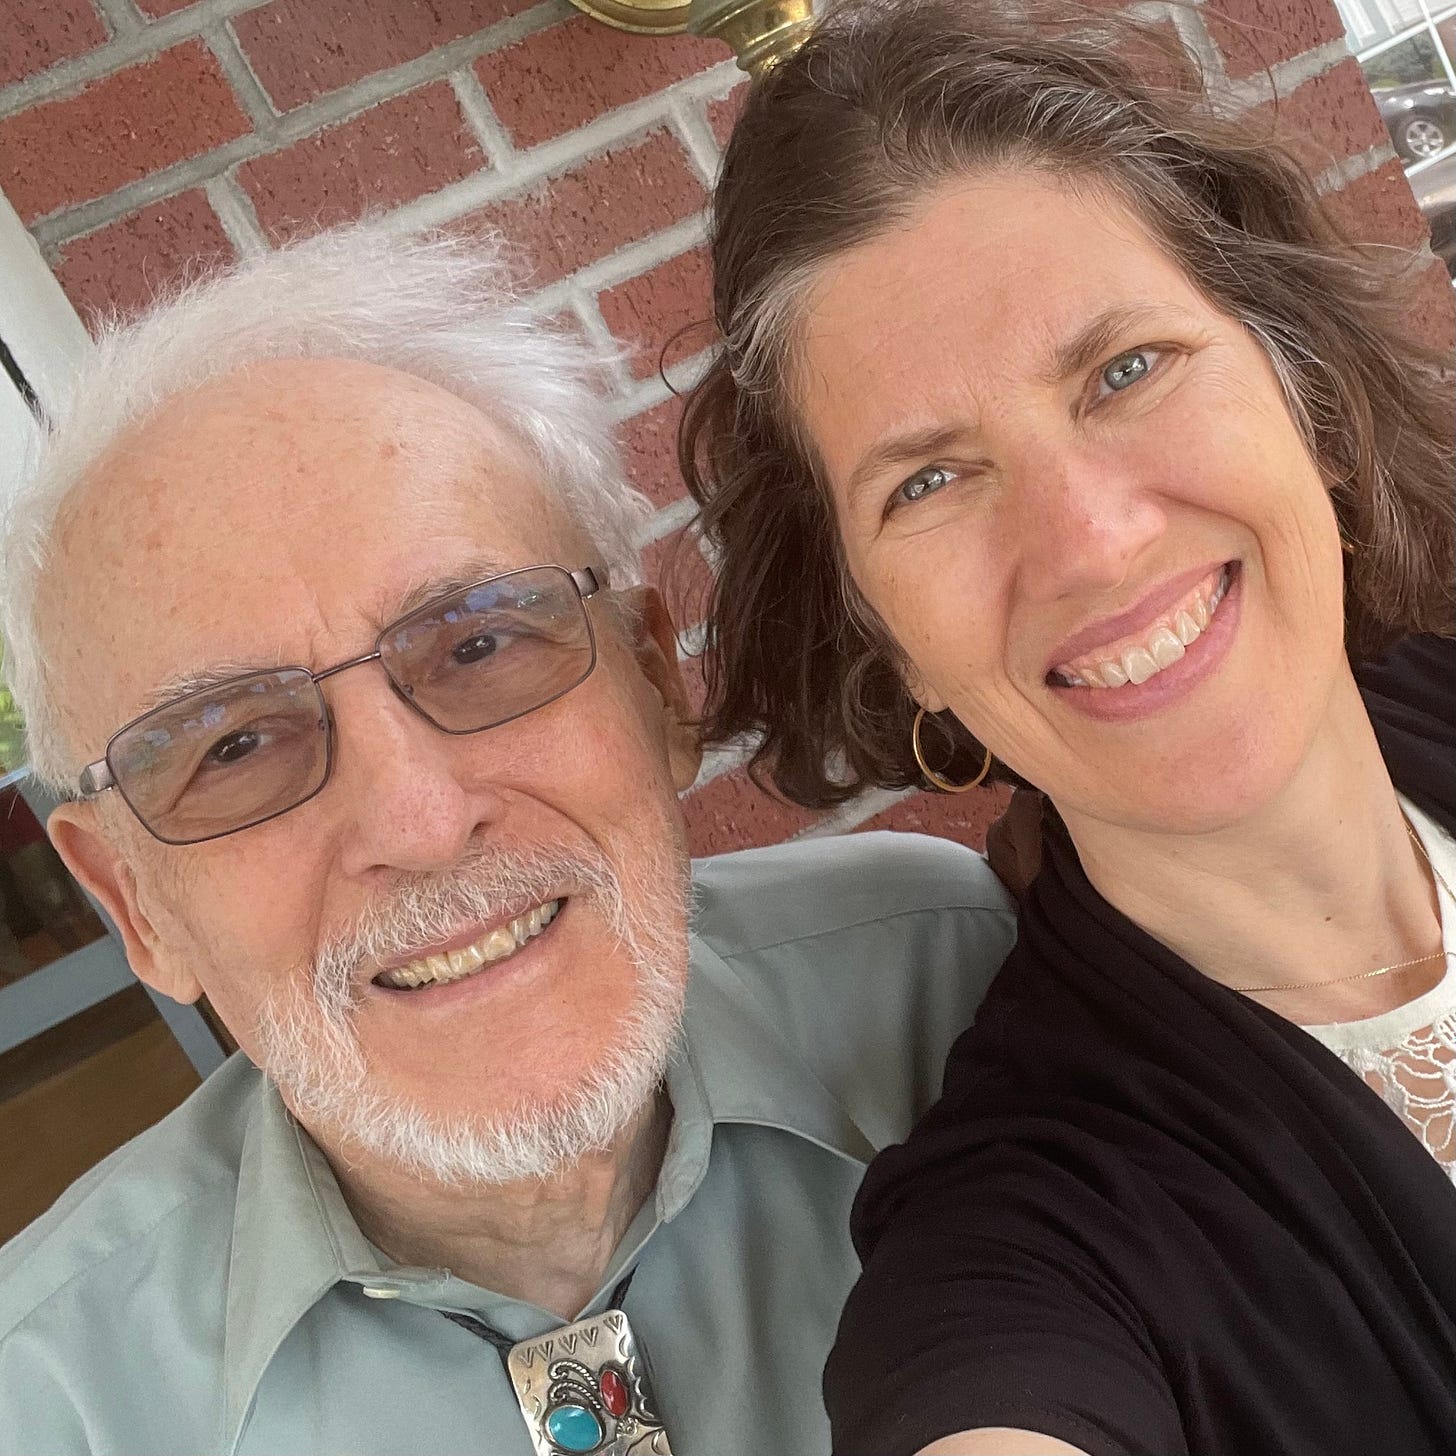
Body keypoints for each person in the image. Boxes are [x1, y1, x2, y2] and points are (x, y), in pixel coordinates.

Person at [0, 227, 1018, 1455]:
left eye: (479, 641)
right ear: (133, 903)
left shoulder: (957, 982)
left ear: (655, 687)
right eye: (233, 744)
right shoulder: (47, 1406)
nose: (421, 824)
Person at [680, 2, 1456, 1453]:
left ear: (1311, 398)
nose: (1091, 544)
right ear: (885, 641)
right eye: (928, 482)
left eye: (1125, 371)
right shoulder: (1032, 1239)